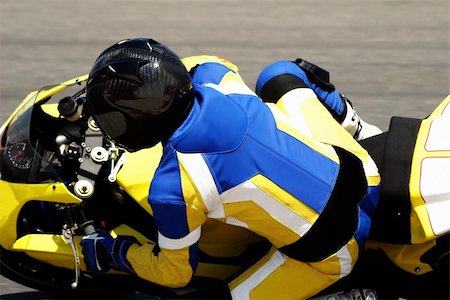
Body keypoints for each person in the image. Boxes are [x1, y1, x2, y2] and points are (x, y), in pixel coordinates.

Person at [81, 38, 381, 299]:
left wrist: (111, 252)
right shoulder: (215, 78)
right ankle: (358, 128)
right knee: (280, 73)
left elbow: (173, 273)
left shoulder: (174, 188)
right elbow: (208, 61)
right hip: (364, 170)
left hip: (333, 251)